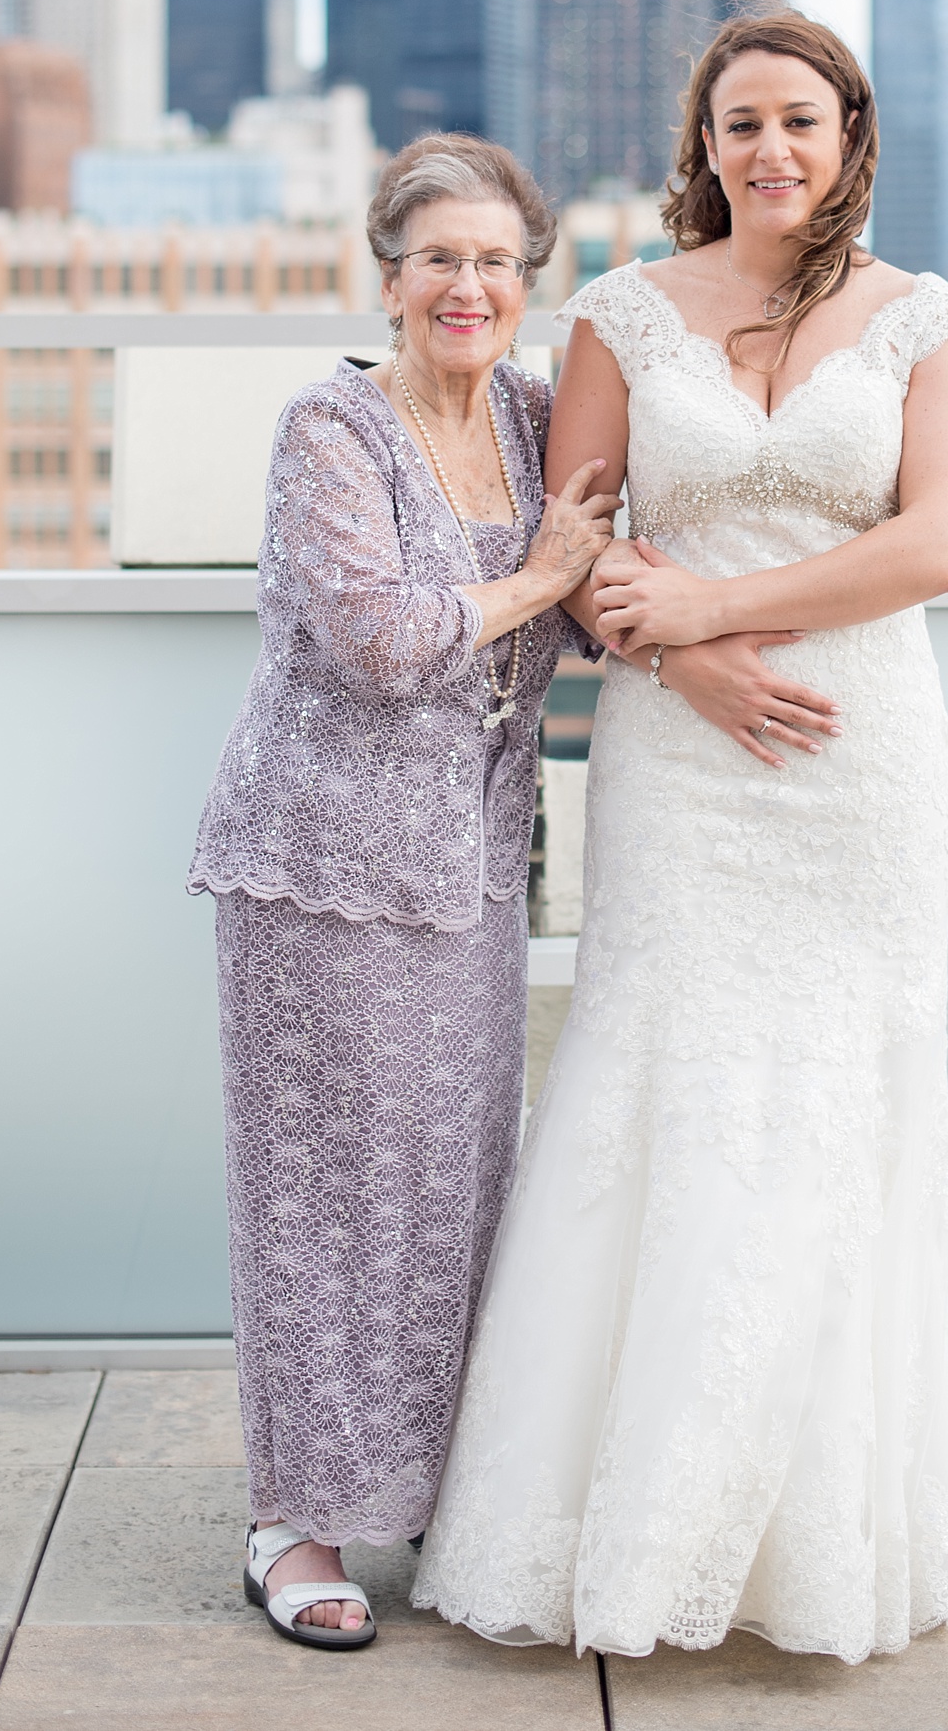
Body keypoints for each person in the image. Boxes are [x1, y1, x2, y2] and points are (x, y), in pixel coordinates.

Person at [415, 11, 948, 1662]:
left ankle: (804, 1540)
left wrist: (718, 611)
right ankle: (609, 1522)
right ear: (705, 143)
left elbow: (941, 542)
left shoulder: (926, 321)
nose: (771, 149)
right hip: (676, 764)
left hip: (861, 763)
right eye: (741, 121)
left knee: (841, 1104)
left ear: (848, 132)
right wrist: (680, 655)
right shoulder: (619, 312)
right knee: (654, 1086)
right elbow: (577, 546)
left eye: (799, 119)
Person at [187, 133, 617, 1651]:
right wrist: (540, 572)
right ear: (389, 276)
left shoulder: (532, 412)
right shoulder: (331, 426)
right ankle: (294, 1517)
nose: (471, 285)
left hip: (469, 876)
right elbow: (375, 638)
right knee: (318, 1204)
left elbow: (608, 591)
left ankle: (425, 1483)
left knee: (451, 1194)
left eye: (499, 261)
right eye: (441, 257)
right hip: (314, 870)